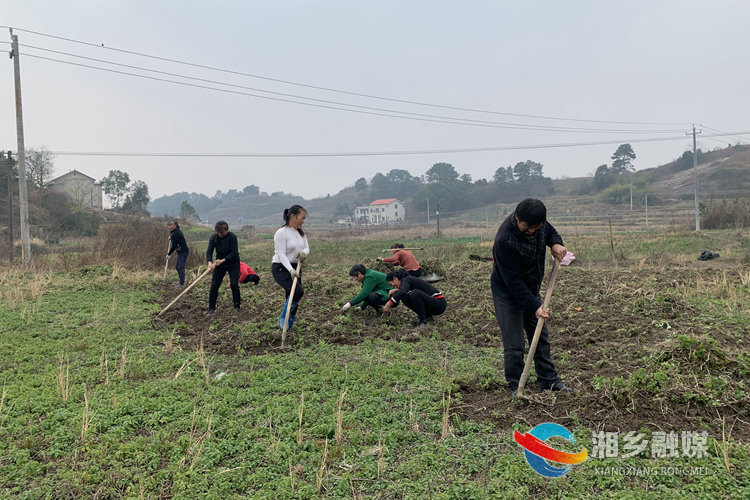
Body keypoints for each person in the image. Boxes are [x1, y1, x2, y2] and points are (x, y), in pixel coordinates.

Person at [491, 198, 575, 397]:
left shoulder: (539, 223)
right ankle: (516, 385)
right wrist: (534, 305)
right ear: (518, 218)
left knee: (540, 338)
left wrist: (555, 243)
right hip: (507, 293)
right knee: (515, 344)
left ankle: (548, 381)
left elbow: (551, 232)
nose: (531, 231)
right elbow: (513, 281)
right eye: (527, 227)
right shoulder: (505, 239)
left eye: (536, 228)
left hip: (531, 287)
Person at [272, 205, 309, 330]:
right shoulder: (281, 233)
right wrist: (290, 270)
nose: (303, 221)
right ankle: (284, 317)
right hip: (281, 267)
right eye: (302, 218)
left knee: (292, 296)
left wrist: (304, 253)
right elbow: (281, 254)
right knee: (297, 292)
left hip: (296, 266)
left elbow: (307, 248)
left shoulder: (301, 233)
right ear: (293, 216)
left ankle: (289, 326)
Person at [384, 269, 447, 333]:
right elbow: (405, 291)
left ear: (395, 279)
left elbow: (403, 291)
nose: (393, 286)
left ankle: (423, 323)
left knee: (415, 293)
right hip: (435, 303)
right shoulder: (408, 280)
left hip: (439, 303)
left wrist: (388, 304)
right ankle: (427, 317)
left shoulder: (406, 279)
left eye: (391, 284)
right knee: (405, 298)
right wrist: (397, 291)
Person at [205, 220, 241, 315]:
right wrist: (209, 262)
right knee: (214, 285)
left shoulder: (232, 237)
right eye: (218, 232)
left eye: (222, 232)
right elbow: (209, 252)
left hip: (233, 263)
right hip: (219, 264)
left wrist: (223, 260)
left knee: (234, 284)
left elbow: (234, 253)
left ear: (227, 229)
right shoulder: (214, 238)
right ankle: (211, 307)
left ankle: (237, 306)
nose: (220, 234)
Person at [166, 220, 189, 287]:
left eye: (171, 225)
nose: (169, 227)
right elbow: (173, 238)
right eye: (168, 225)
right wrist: (171, 237)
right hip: (180, 252)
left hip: (183, 251)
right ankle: (181, 281)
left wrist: (169, 254)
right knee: (177, 267)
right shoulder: (173, 232)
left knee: (180, 267)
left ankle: (182, 283)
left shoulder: (176, 233)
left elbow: (174, 245)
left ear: (175, 226)